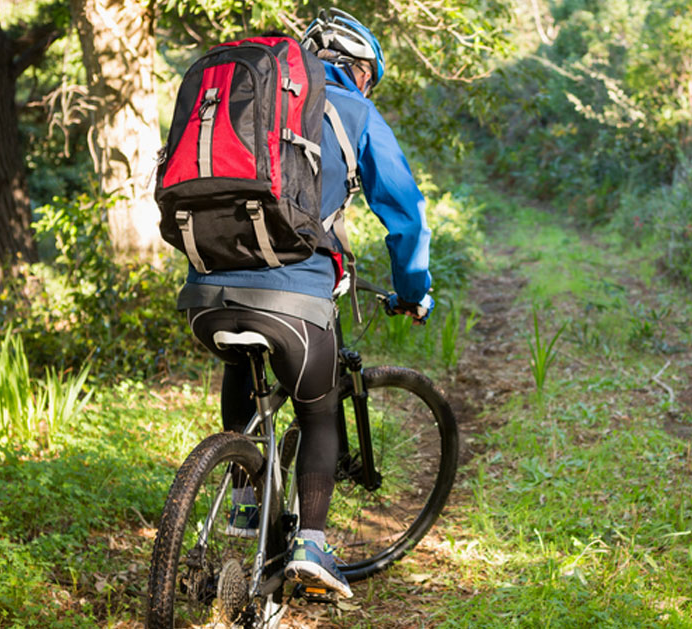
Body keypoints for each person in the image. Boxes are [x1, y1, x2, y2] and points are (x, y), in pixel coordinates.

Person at [176, 8, 434, 600]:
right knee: (317, 411)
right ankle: (312, 545)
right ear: (360, 70)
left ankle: (245, 501)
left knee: (243, 367)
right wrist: (414, 294)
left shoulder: (247, 99)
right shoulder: (354, 109)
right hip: (294, 299)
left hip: (204, 294)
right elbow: (406, 217)